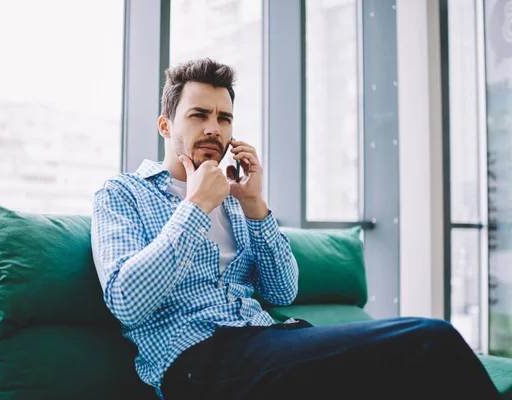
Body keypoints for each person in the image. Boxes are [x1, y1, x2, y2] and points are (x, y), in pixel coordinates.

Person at [91, 58, 501, 400]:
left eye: (224, 118)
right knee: (430, 339)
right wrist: (197, 205)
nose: (214, 128)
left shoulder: (237, 201)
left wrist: (254, 205)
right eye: (199, 115)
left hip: (269, 342)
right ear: (165, 126)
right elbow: (127, 300)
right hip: (196, 362)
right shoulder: (122, 194)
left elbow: (282, 291)